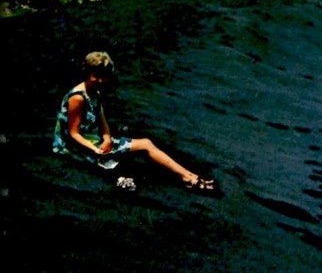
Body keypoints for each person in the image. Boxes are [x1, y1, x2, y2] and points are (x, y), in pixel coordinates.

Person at [53, 51, 217, 193]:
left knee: (145, 143)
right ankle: (186, 177)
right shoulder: (77, 98)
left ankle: (188, 175)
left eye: (104, 76)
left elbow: (101, 117)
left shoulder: (95, 91)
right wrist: (95, 150)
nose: (100, 80)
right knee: (143, 147)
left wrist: (107, 138)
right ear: (86, 72)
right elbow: (73, 133)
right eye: (96, 75)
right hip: (79, 146)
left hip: (95, 139)